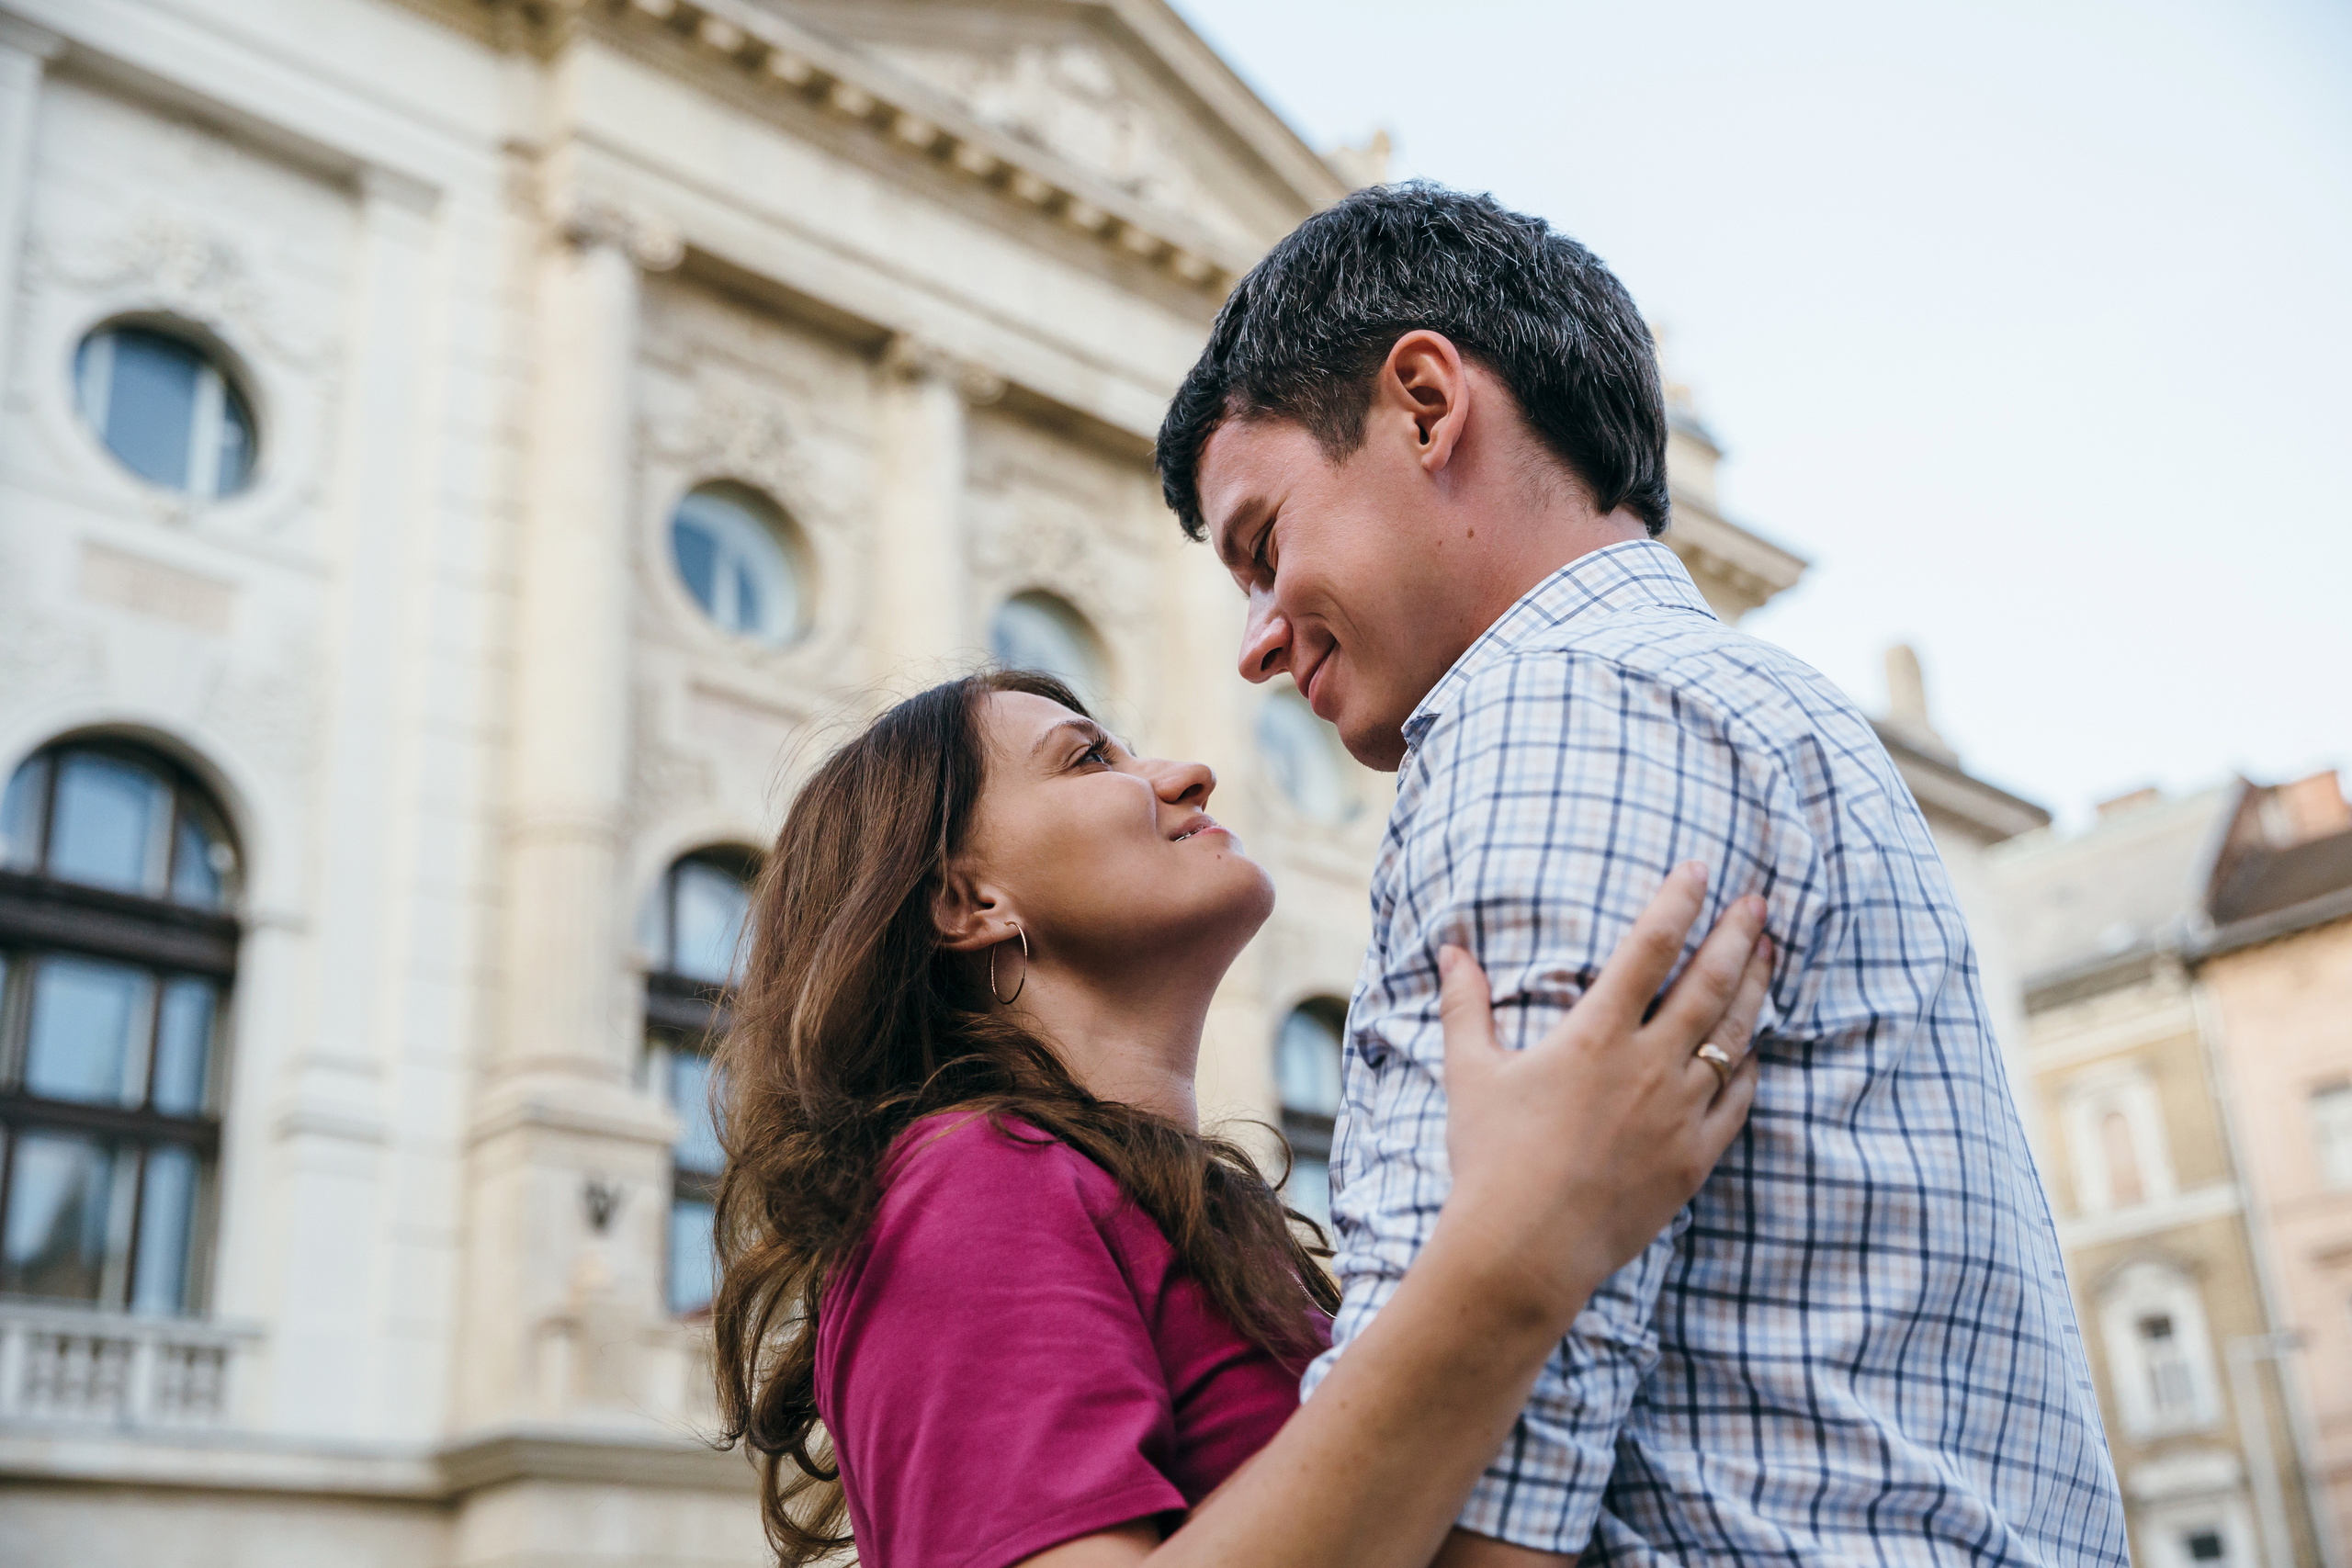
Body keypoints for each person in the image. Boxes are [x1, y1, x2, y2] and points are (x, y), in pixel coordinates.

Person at [1152, 182, 2130, 1566]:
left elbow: (1473, 1496)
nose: (1254, 640)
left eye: (1262, 545)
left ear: (1426, 405)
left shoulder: (1554, 713)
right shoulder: (1722, 699)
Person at [709, 669, 1773, 1568]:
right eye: (1088, 761)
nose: (1184, 773)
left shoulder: (1160, 1202)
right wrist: (1528, 1243)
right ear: (968, 902)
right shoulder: (969, 1181)